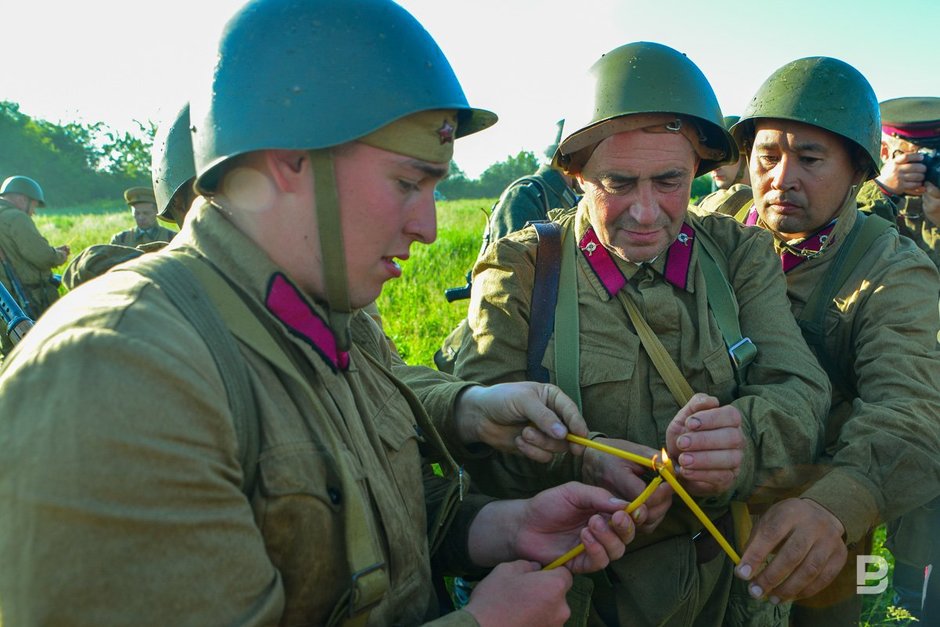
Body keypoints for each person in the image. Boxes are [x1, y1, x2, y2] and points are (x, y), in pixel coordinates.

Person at [0, 1, 639, 625]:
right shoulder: (117, 368)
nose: (428, 226)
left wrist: (508, 526)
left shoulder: (333, 324)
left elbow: (377, 533)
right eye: (408, 183)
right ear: (289, 160)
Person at [446, 41, 831, 626]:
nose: (646, 212)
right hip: (573, 601)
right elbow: (474, 443)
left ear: (698, 171)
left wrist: (742, 441)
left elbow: (802, 391)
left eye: (670, 181)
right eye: (618, 183)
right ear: (575, 175)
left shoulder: (739, 257)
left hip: (719, 593)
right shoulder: (521, 272)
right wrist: (580, 462)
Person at [704, 57, 940, 626]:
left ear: (859, 171)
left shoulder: (891, 269)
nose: (782, 179)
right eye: (767, 156)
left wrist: (833, 508)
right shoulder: (715, 222)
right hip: (706, 493)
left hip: (820, 503)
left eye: (809, 159)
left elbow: (911, 410)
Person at [856, 96, 940, 270]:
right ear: (885, 151)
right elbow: (847, 248)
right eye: (922, 156)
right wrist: (882, 193)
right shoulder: (854, 198)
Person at [0, 174, 69, 355]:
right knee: (47, 351)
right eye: (34, 205)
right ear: (23, 199)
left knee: (11, 353)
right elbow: (41, 256)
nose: (34, 212)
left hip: (4, 304)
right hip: (28, 298)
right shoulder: (16, 218)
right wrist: (59, 255)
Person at [109, 185, 177, 246]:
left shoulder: (172, 238)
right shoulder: (120, 240)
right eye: (137, 213)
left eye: (146, 213)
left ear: (156, 212)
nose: (141, 217)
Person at [709, 116, 751, 192]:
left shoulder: (771, 202)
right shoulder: (704, 203)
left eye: (724, 156)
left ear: (748, 157)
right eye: (710, 159)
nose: (715, 168)